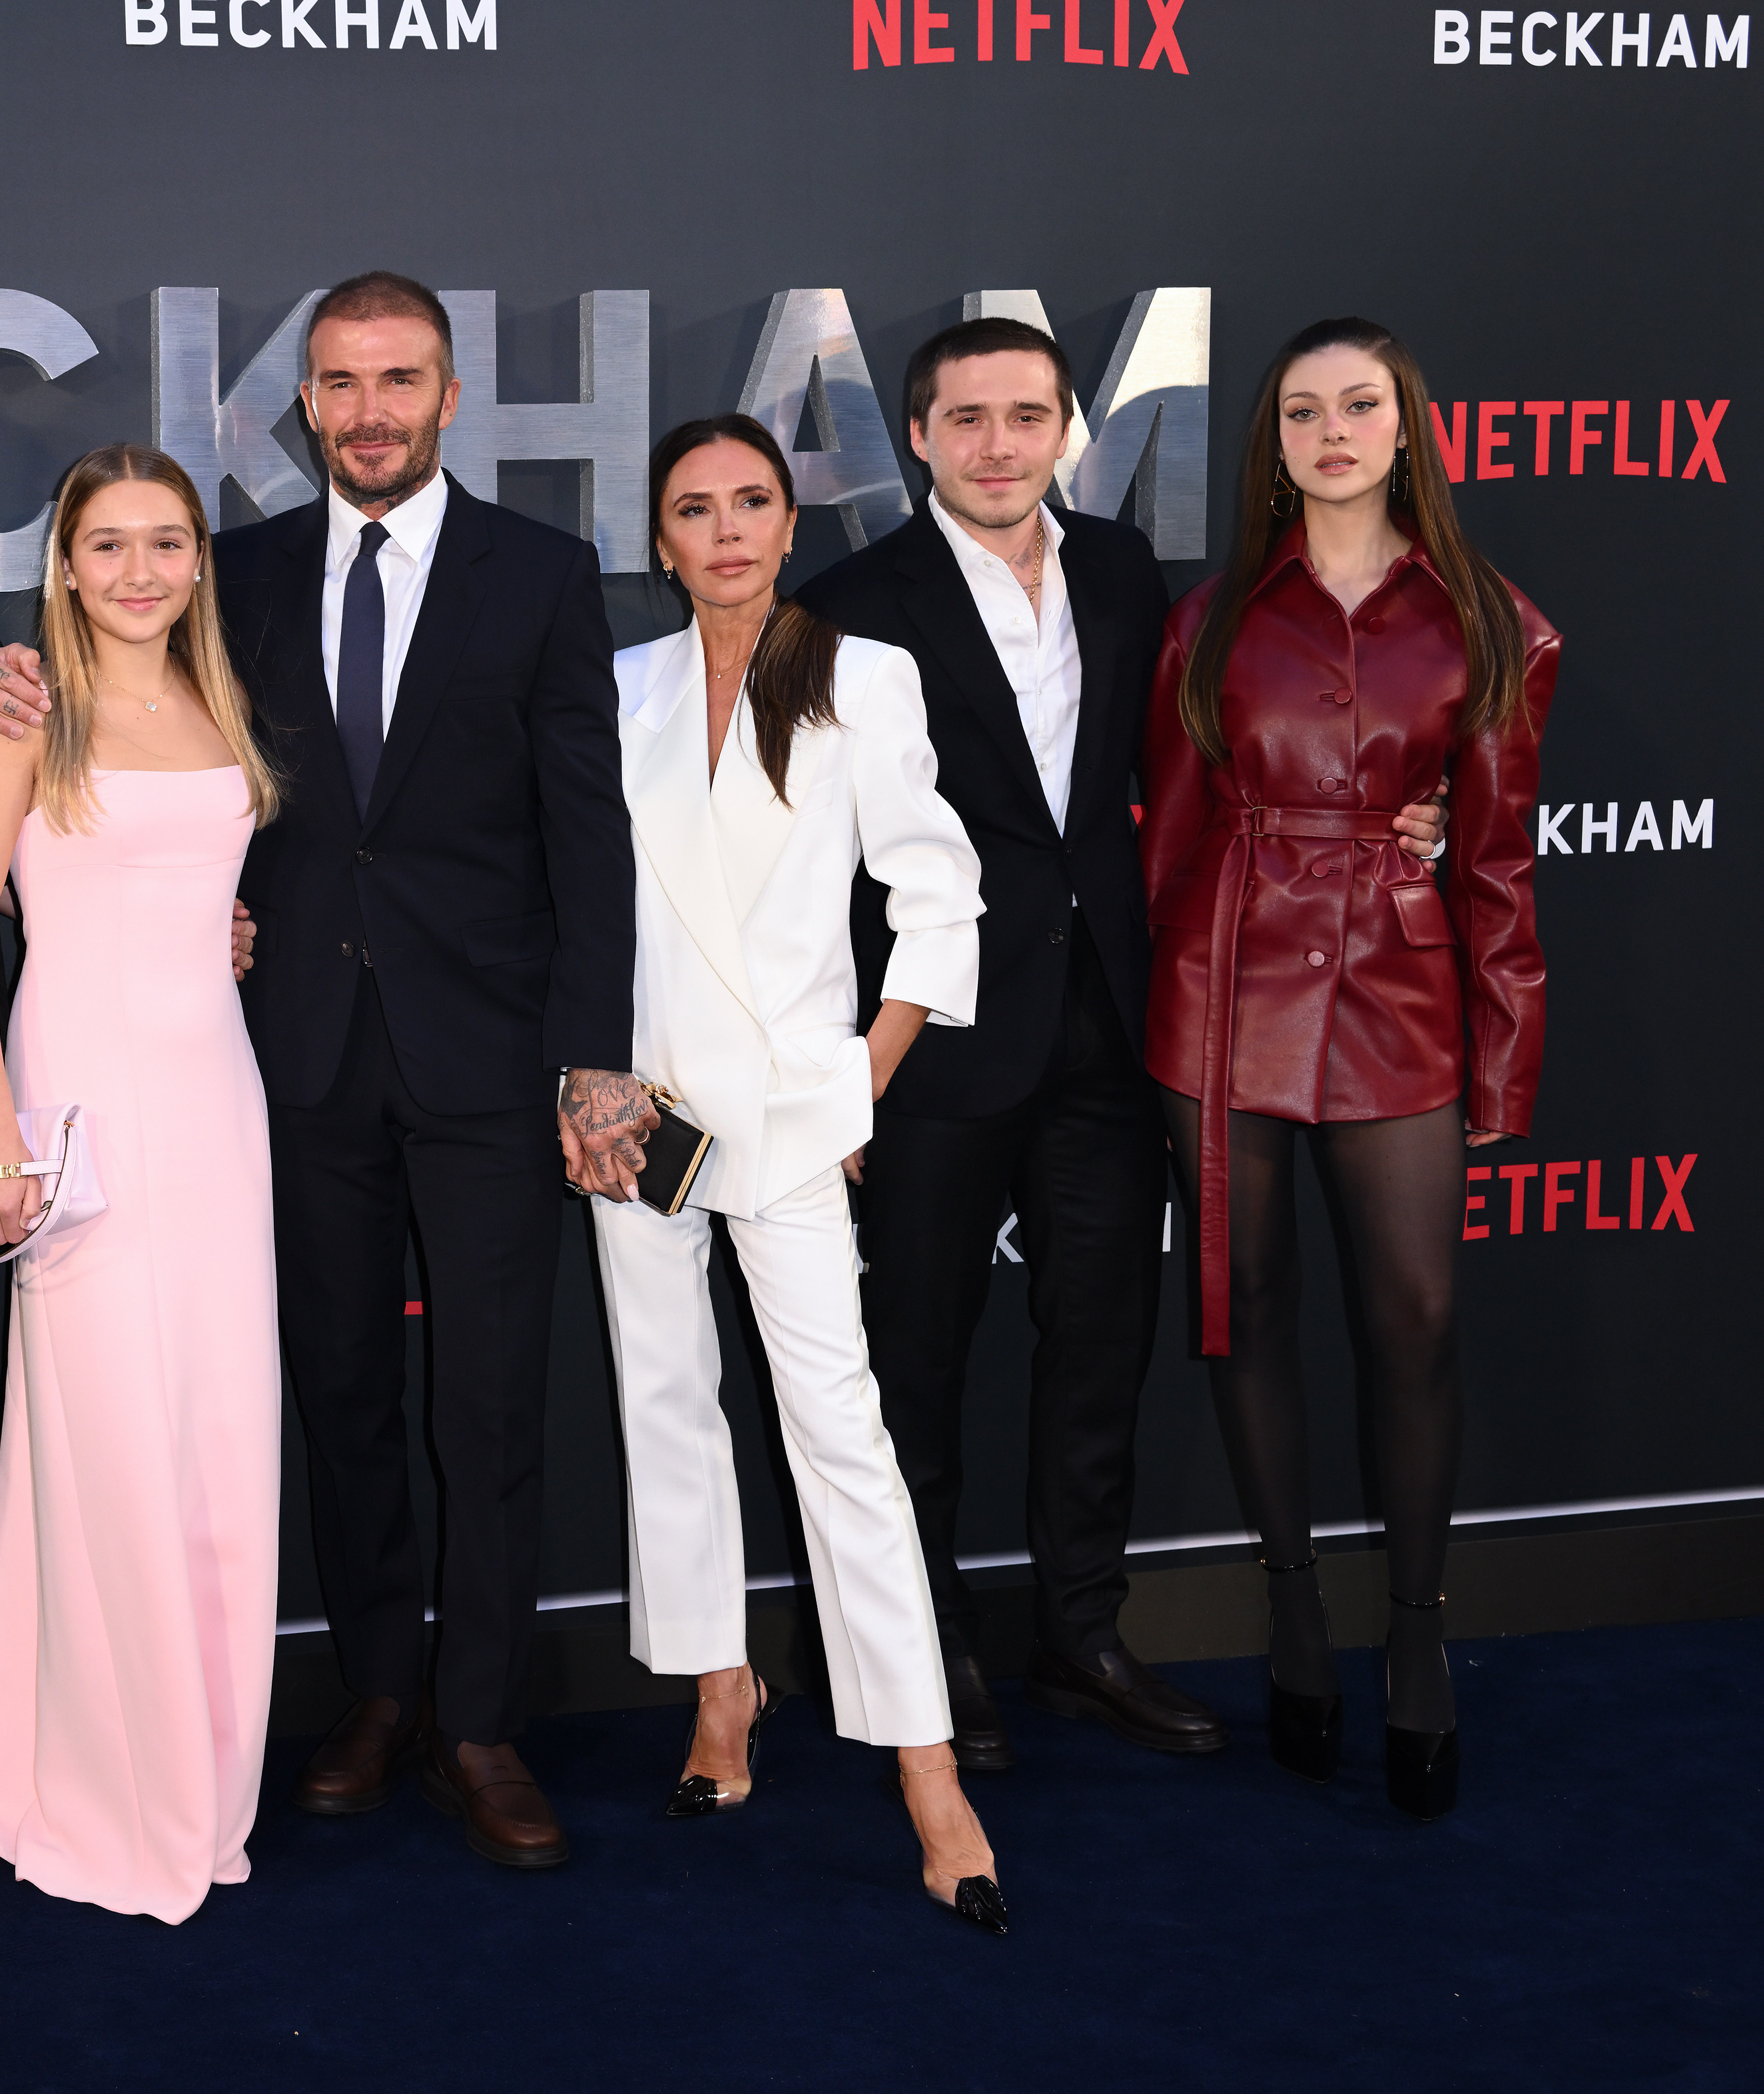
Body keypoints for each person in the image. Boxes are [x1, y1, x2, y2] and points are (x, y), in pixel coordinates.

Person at [0, 271, 646, 1871]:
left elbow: (588, 832)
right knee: (339, 1393)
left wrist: (594, 1059)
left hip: (487, 1060)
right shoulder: (236, 577)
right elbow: (120, 715)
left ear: (450, 396)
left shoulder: (540, 576)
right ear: (305, 405)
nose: (370, 411)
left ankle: (481, 1720)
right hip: (290, 1066)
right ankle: (380, 1692)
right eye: (341, 383)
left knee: (488, 1403)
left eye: (400, 381)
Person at [791, 318, 1446, 1768]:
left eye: (1028, 417)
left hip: (1112, 1025)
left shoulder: (1129, 574)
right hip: (933, 1040)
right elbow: (803, 852)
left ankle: (1082, 1637)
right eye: (968, 420)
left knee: (1101, 1348)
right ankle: (924, 1653)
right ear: (918, 436)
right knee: (915, 1365)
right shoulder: (845, 604)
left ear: (1065, 433)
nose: (999, 446)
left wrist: (1420, 808)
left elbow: (1246, 751)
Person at [594, 415, 1003, 1931]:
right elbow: (585, 898)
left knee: (841, 1431)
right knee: (664, 1403)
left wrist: (860, 1083)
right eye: (694, 509)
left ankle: (928, 1770)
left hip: (787, 1113)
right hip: (639, 1113)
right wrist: (589, 1078)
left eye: (752, 502)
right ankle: (723, 1687)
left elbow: (938, 892)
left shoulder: (859, 674)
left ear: (787, 522)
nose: (726, 531)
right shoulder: (621, 688)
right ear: (660, 540)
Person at [1141, 318, 1552, 1822]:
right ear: (1275, 441)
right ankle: (1296, 1612)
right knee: (1246, 1314)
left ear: (1405, 426)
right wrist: (1161, 1014)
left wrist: (1503, 1063)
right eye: (1303, 410)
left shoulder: (1491, 623)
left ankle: (1419, 1637)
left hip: (1399, 988)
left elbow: (1497, 865)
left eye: (1359, 405)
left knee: (1418, 1323)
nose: (1331, 433)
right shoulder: (1210, 622)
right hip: (1224, 991)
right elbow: (1168, 839)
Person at [0, 445, 285, 1924]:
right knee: (109, 1446)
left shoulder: (221, 703)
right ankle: (104, 1787)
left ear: (198, 559)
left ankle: (203, 1778)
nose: (140, 571)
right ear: (64, 566)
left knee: (218, 1440)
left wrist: (221, 934)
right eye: (109, 544)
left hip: (219, 1106)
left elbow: (197, 897)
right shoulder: (27, 713)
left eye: (167, 541)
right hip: (77, 1110)